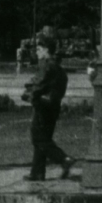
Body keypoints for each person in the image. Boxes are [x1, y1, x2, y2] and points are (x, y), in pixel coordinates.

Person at [22, 35, 74, 181]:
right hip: (53, 107)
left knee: (38, 138)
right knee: (43, 138)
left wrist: (28, 94)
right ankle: (37, 172)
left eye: (39, 49)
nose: (37, 52)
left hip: (42, 106)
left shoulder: (47, 65)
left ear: (46, 50)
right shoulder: (58, 67)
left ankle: (64, 159)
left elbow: (38, 83)